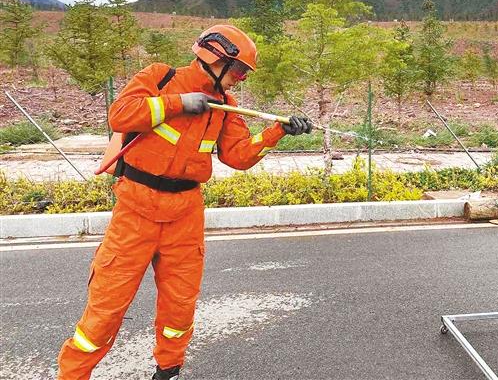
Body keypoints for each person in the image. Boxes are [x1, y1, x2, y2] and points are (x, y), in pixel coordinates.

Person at [57, 25, 312, 380]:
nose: (240, 79)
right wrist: (177, 104)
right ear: (216, 57)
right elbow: (121, 115)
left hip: (186, 214)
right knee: (105, 309)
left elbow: (238, 156)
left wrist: (278, 131)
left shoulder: (226, 106)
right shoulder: (160, 78)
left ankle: (168, 370)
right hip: (136, 209)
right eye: (239, 70)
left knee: (179, 308)